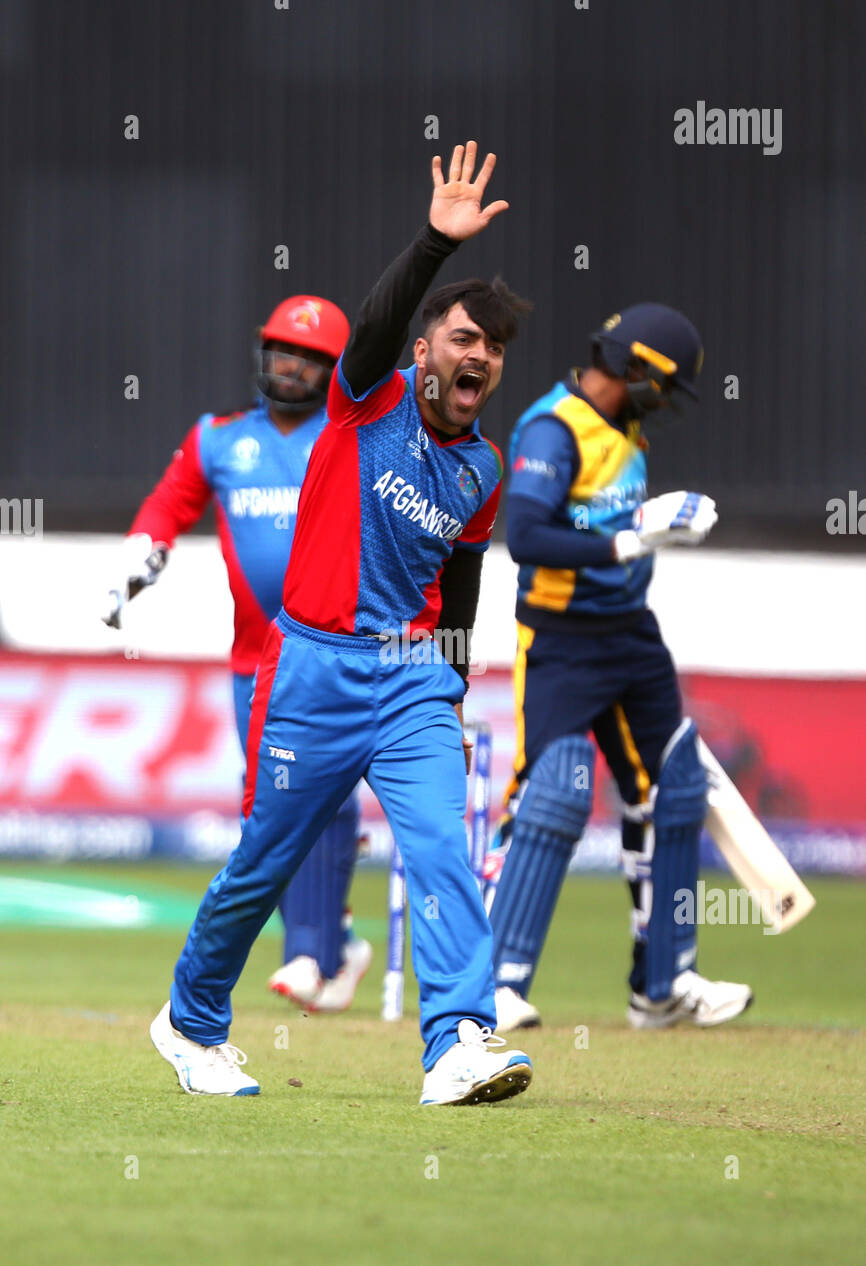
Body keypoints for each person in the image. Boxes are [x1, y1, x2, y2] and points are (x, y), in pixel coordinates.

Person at [149, 141, 535, 1105]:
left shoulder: (484, 469)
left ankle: (455, 1045)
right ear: (423, 352)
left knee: (443, 848)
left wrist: (451, 687)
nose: (476, 354)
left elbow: (463, 578)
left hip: (411, 678)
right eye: (460, 338)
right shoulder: (369, 400)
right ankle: (190, 1023)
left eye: (490, 347)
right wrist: (432, 248)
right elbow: (371, 327)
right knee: (265, 864)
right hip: (314, 668)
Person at [102, 296, 373, 1013]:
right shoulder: (219, 439)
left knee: (323, 791)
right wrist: (142, 552)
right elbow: (170, 503)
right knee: (267, 808)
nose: (291, 366)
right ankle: (335, 939)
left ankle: (311, 956)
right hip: (254, 661)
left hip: (336, 653)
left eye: (311, 358)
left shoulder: (352, 436)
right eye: (283, 351)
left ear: (335, 370)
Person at [488, 304, 754, 1031]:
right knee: (557, 793)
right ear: (633, 368)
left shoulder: (625, 429)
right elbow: (529, 536)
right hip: (561, 639)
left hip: (631, 638)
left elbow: (614, 522)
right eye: (662, 386)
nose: (664, 404)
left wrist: (662, 520)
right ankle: (495, 986)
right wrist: (633, 538)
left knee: (675, 788)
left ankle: (663, 985)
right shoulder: (553, 428)